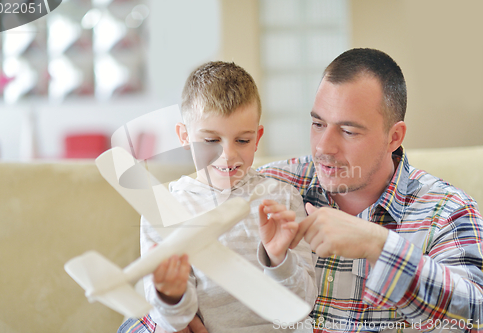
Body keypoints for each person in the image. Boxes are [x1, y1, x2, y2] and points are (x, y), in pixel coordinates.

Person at [257, 48, 483, 331]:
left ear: (394, 137)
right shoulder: (272, 186)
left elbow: (475, 315)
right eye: (317, 123)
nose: (323, 147)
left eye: (349, 131)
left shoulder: (449, 211)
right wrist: (183, 305)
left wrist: (378, 246)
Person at [119, 61, 316, 333]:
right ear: (185, 136)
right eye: (211, 141)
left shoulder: (282, 198)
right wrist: (171, 296)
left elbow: (305, 303)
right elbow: (170, 324)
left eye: (242, 140)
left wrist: (279, 258)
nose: (228, 155)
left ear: (257, 138)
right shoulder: (164, 209)